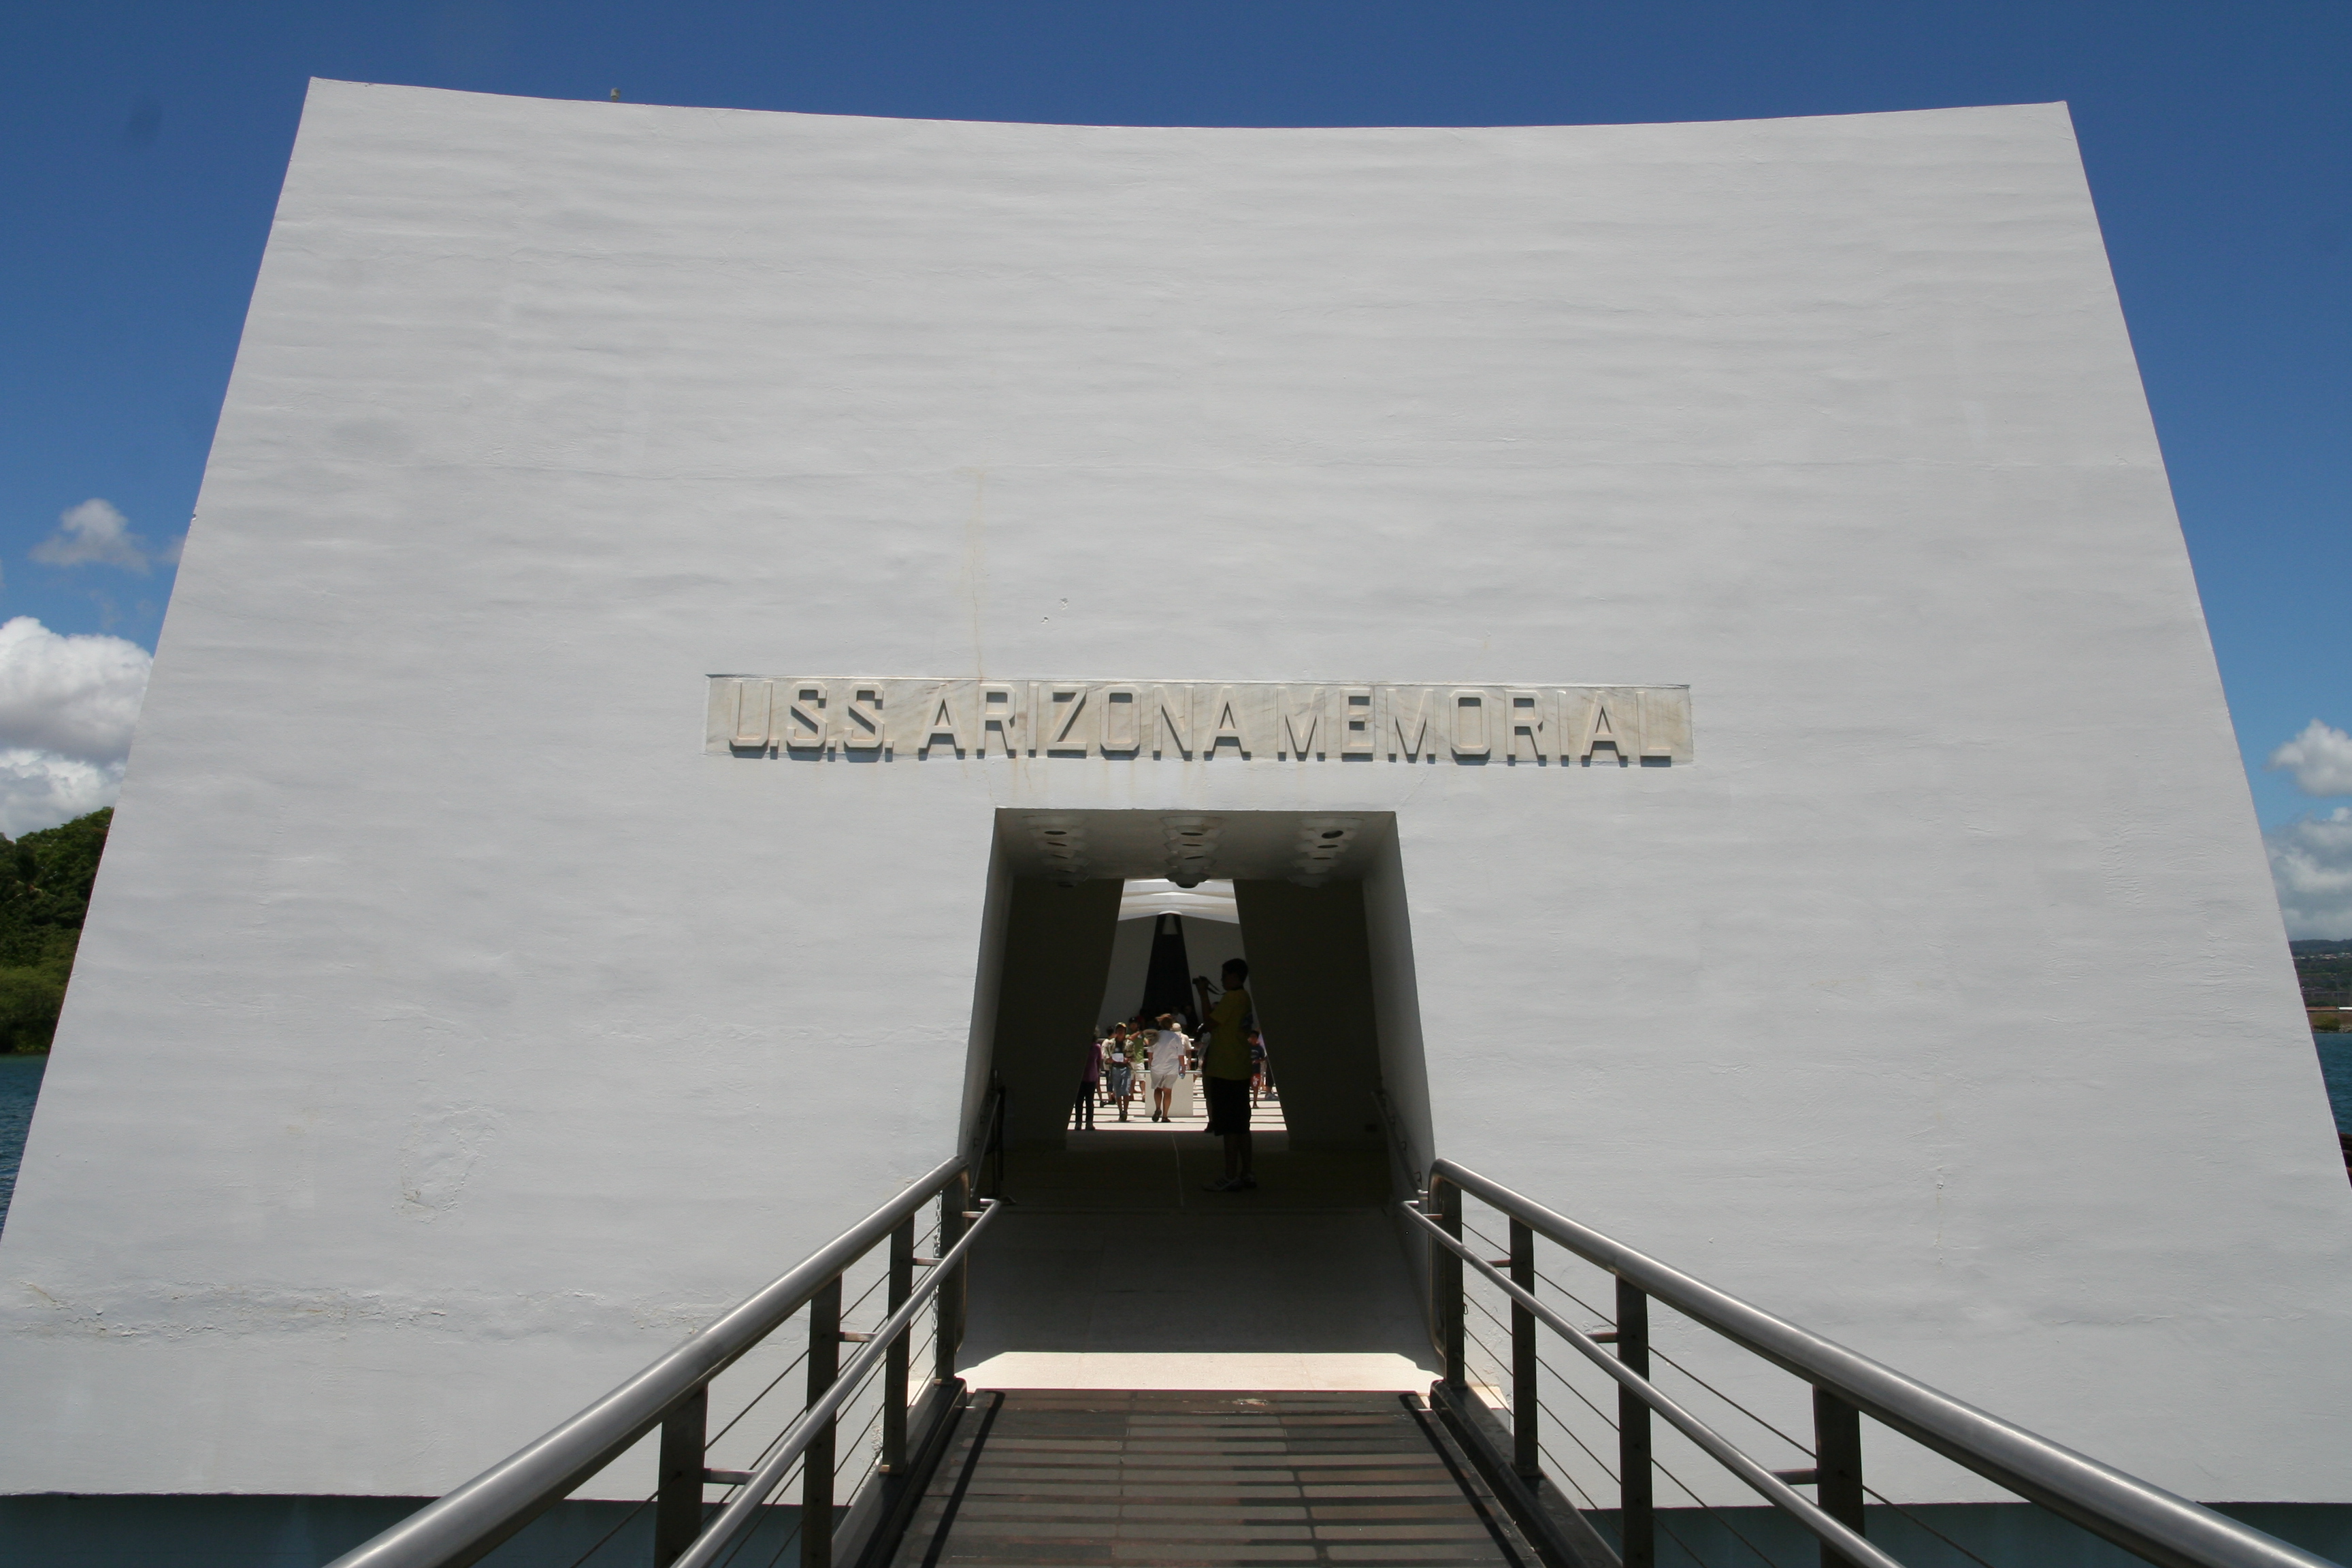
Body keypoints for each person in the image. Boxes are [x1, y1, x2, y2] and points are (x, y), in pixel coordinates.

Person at [1191, 959, 1256, 1190]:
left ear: (1234, 976)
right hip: (1239, 1068)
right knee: (1241, 1126)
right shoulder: (1244, 998)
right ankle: (1247, 1173)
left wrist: (1203, 995)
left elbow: (1209, 1024)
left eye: (1224, 975)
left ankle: (1230, 1176)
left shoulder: (1231, 998)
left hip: (1226, 1070)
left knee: (1229, 1127)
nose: (1221, 979)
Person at [1147, 1013, 1189, 1122]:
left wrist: (1151, 1064)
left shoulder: (1155, 1036)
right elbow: (1181, 1054)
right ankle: (1165, 1116)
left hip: (1157, 1066)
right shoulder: (1175, 1037)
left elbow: (1150, 1052)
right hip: (1172, 1067)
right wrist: (1183, 1067)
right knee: (1168, 1091)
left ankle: (1157, 1108)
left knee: (1157, 1089)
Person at [1071, 1034, 1100, 1131]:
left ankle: (1089, 1122)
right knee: (1079, 1101)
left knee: (1090, 1101)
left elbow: (1098, 1062)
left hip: (1091, 1078)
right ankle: (1078, 1122)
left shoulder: (1097, 1048)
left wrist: (1097, 1076)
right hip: (1080, 1078)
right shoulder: (1079, 1047)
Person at [1105, 1025, 1134, 1122]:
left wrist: (1127, 1059)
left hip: (1125, 1068)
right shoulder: (1110, 1043)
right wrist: (1109, 1060)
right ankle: (1120, 1111)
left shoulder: (1129, 1043)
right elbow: (1106, 1056)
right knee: (1117, 1090)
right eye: (1119, 1030)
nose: (1120, 1032)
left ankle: (1125, 1111)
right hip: (1115, 1068)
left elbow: (1133, 1056)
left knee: (1125, 1090)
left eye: (1122, 1030)